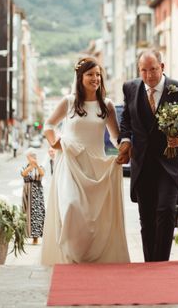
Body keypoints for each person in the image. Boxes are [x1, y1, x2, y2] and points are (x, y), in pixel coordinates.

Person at [40, 57, 129, 264]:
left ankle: (89, 259)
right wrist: (55, 143)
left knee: (94, 219)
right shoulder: (69, 102)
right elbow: (49, 124)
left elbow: (115, 137)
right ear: (80, 78)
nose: (95, 78)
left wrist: (124, 147)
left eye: (98, 74)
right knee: (71, 206)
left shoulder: (106, 105)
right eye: (90, 74)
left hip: (96, 167)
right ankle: (71, 256)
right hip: (70, 164)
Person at [117, 49, 178, 262]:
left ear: (162, 67)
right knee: (147, 219)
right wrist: (125, 141)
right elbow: (126, 119)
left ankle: (161, 264)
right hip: (142, 165)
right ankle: (149, 265)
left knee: (165, 211)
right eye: (144, 70)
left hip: (168, 166)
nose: (149, 75)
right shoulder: (130, 88)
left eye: (153, 69)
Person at [21, 148, 45, 244]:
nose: (33, 158)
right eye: (31, 156)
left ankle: (36, 238)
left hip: (37, 192)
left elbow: (42, 173)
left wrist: (36, 165)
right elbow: (23, 173)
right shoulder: (25, 166)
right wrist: (31, 166)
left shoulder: (41, 166)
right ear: (28, 158)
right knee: (26, 212)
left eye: (34, 156)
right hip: (27, 192)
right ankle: (25, 235)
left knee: (37, 214)